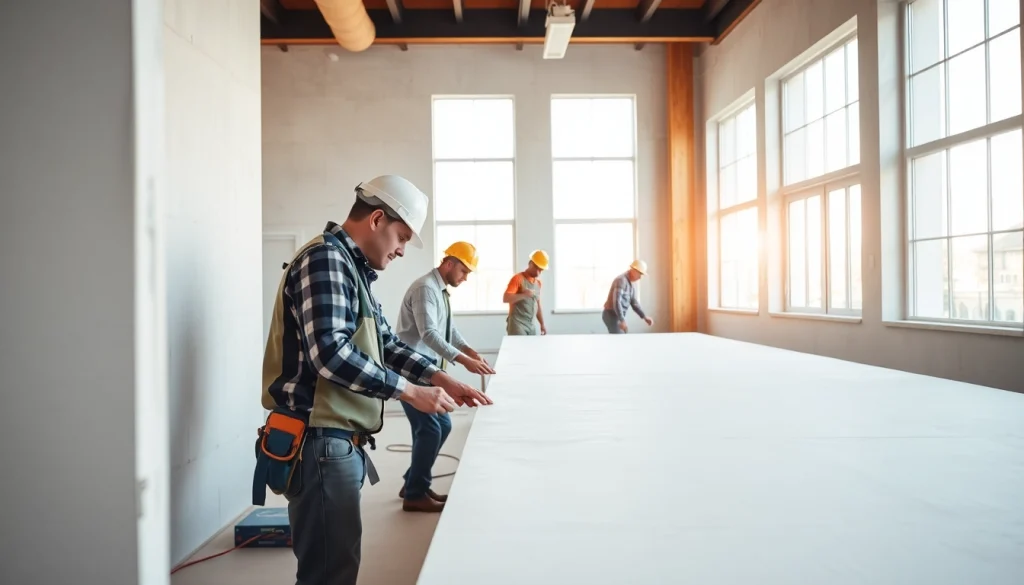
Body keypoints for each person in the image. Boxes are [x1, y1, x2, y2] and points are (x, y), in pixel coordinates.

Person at [260, 175, 493, 585]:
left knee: (336, 564)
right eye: (401, 237)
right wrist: (409, 390)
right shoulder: (325, 260)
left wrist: (439, 375)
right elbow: (330, 354)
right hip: (319, 440)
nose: (403, 250)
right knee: (330, 572)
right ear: (377, 219)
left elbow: (384, 342)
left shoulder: (352, 268)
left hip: (333, 441)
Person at [394, 241, 496, 512]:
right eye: (464, 271)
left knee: (442, 426)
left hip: (427, 368)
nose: (465, 277)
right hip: (413, 367)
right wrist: (463, 361)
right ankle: (415, 494)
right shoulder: (426, 288)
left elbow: (447, 328)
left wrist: (469, 350)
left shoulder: (439, 291)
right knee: (429, 430)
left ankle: (412, 482)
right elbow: (429, 334)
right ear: (449, 263)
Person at [503, 249, 549, 336]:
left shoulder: (538, 283)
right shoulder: (517, 279)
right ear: (530, 264)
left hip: (531, 325)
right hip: (517, 324)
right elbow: (506, 298)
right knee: (519, 349)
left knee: (531, 349)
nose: (539, 273)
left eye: (541, 270)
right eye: (537, 269)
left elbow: (538, 306)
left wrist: (542, 324)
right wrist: (524, 295)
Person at [602, 259, 654, 334]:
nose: (640, 277)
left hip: (616, 316)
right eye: (640, 274)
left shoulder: (630, 285)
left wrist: (644, 317)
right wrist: (622, 320)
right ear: (634, 270)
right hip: (610, 315)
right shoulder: (621, 280)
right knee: (618, 339)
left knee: (621, 337)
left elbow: (634, 303)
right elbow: (616, 301)